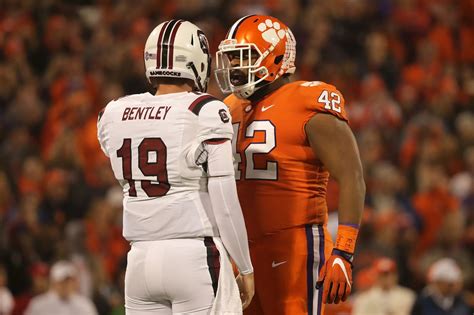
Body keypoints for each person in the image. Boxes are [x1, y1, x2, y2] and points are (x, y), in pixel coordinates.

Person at [97, 20, 254, 315]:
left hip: (139, 261)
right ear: (195, 61)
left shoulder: (114, 112)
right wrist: (244, 265)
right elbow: (224, 199)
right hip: (193, 254)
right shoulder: (204, 109)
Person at [215, 15, 365, 315]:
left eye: (244, 58)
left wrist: (344, 250)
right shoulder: (228, 107)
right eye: (231, 60)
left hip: (294, 243)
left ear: (276, 57)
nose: (234, 68)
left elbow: (352, 177)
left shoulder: (307, 100)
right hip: (241, 251)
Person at [24, 260, 97, 315]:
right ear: (53, 282)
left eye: (69, 280)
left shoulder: (85, 305)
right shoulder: (38, 305)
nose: (66, 285)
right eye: (62, 281)